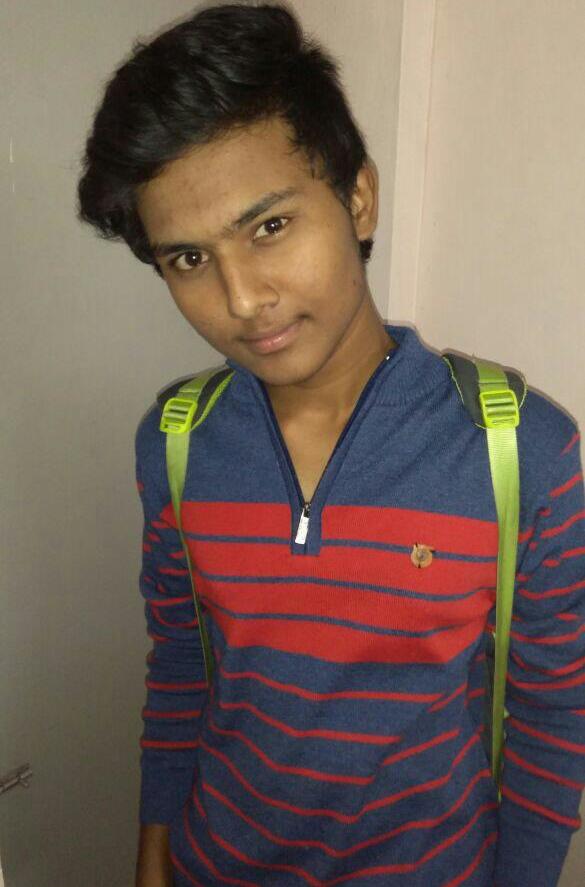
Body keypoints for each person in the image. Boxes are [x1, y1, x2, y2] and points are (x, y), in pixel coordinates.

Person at [76, 3, 585, 885]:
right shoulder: (175, 445)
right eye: (188, 259)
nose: (242, 298)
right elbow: (183, 668)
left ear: (357, 198)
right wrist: (154, 852)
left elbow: (550, 720)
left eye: (268, 226)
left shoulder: (520, 452)